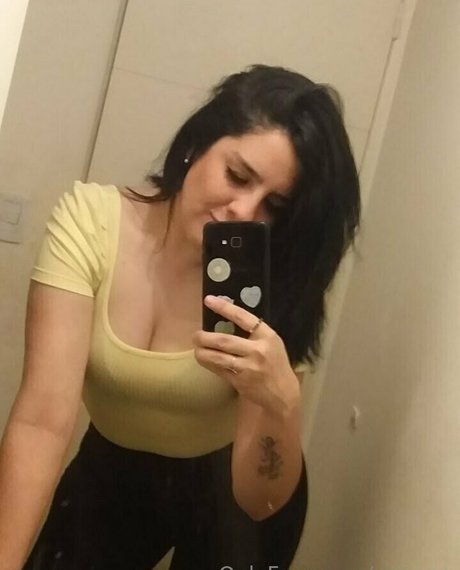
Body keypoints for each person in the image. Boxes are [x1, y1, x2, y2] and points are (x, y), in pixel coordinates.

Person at [0, 64, 360, 569]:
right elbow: (41, 424)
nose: (245, 211)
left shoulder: (275, 281)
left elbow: (261, 502)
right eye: (237, 176)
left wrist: (280, 402)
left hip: (232, 483)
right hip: (114, 464)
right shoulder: (91, 224)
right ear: (196, 145)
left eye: (275, 206)